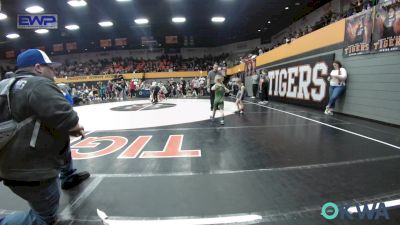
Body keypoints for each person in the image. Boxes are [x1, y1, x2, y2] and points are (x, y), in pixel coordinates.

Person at [0, 49, 90, 225]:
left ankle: (68, 175)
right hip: (32, 171)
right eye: (51, 68)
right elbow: (69, 118)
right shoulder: (38, 85)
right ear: (38, 67)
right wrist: (74, 127)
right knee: (44, 218)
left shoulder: (4, 84)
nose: (54, 72)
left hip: (8, 163)